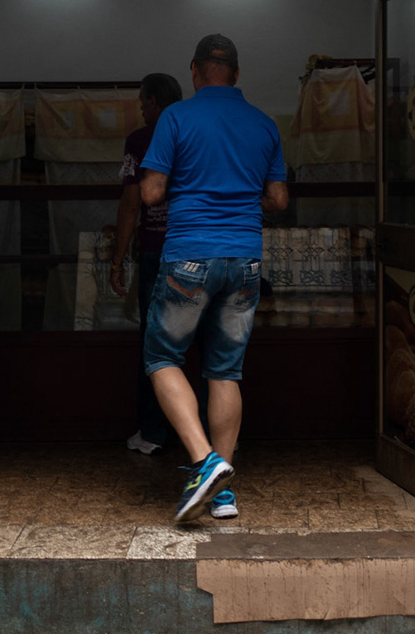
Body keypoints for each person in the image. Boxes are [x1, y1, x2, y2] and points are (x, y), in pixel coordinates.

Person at [138, 34, 287, 522]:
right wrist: (241, 195)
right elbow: (279, 199)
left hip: (189, 259)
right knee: (225, 370)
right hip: (244, 260)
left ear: (195, 71)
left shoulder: (175, 118)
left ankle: (205, 463)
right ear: (237, 73)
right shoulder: (264, 125)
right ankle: (223, 496)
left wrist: (181, 184)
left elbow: (151, 192)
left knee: (162, 356)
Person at [110, 73, 190, 457]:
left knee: (155, 345)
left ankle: (153, 432)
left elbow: (130, 204)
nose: (140, 107)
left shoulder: (141, 140)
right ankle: (207, 435)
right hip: (194, 251)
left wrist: (117, 258)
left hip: (156, 252)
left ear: (155, 101)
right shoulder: (195, 131)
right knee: (201, 341)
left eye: (143, 100)